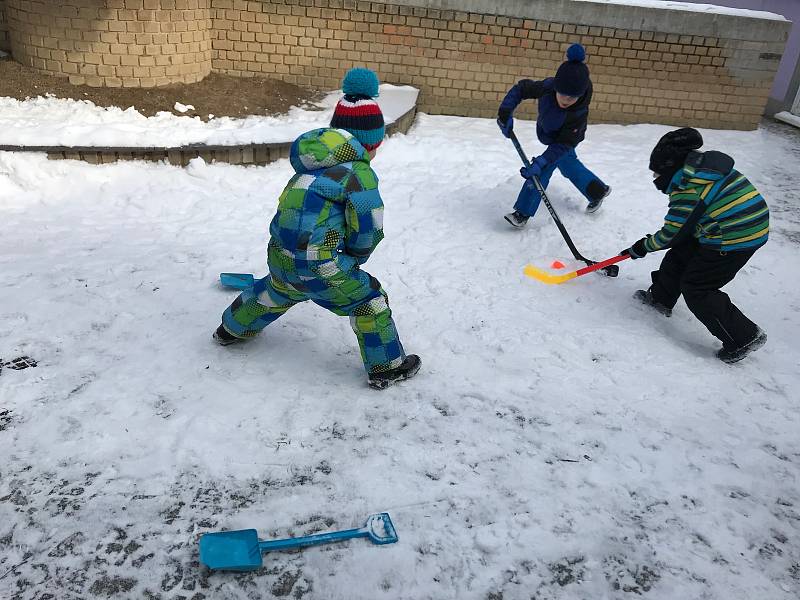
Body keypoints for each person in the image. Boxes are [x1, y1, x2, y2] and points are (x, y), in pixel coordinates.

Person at [213, 68, 421, 389]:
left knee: (275, 291)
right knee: (370, 300)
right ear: (367, 145)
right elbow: (369, 227)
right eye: (376, 145)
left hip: (282, 258)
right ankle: (386, 367)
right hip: (322, 267)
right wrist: (354, 256)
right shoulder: (358, 175)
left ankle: (231, 329)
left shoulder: (306, 170)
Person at [622, 127, 769, 364]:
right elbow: (682, 234)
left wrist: (642, 247)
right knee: (682, 253)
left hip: (735, 238)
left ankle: (743, 337)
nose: (655, 179)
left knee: (697, 287)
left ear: (671, 170)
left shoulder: (688, 190)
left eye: (657, 173)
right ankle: (661, 298)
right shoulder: (704, 170)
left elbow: (672, 233)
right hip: (739, 223)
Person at [496, 43, 611, 228]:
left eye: (572, 97)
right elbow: (521, 89)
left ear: (580, 96)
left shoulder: (578, 115)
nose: (566, 100)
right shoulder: (548, 87)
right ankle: (597, 190)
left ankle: (522, 213)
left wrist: (542, 161)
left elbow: (564, 144)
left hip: (563, 141)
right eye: (563, 94)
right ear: (556, 87)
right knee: (569, 164)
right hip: (549, 133)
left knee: (544, 169)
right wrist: (505, 112)